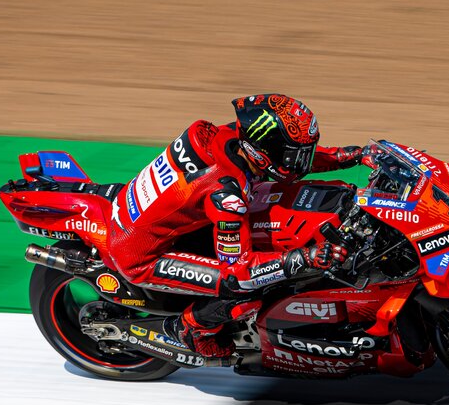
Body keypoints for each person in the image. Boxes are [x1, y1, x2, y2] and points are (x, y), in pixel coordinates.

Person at [105, 94, 363, 358]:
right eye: (291, 155)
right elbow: (239, 271)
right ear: (261, 152)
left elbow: (287, 161)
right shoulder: (227, 197)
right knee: (244, 289)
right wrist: (302, 257)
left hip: (161, 220)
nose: (298, 162)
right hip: (143, 254)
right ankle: (190, 330)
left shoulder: (229, 136)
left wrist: (343, 157)